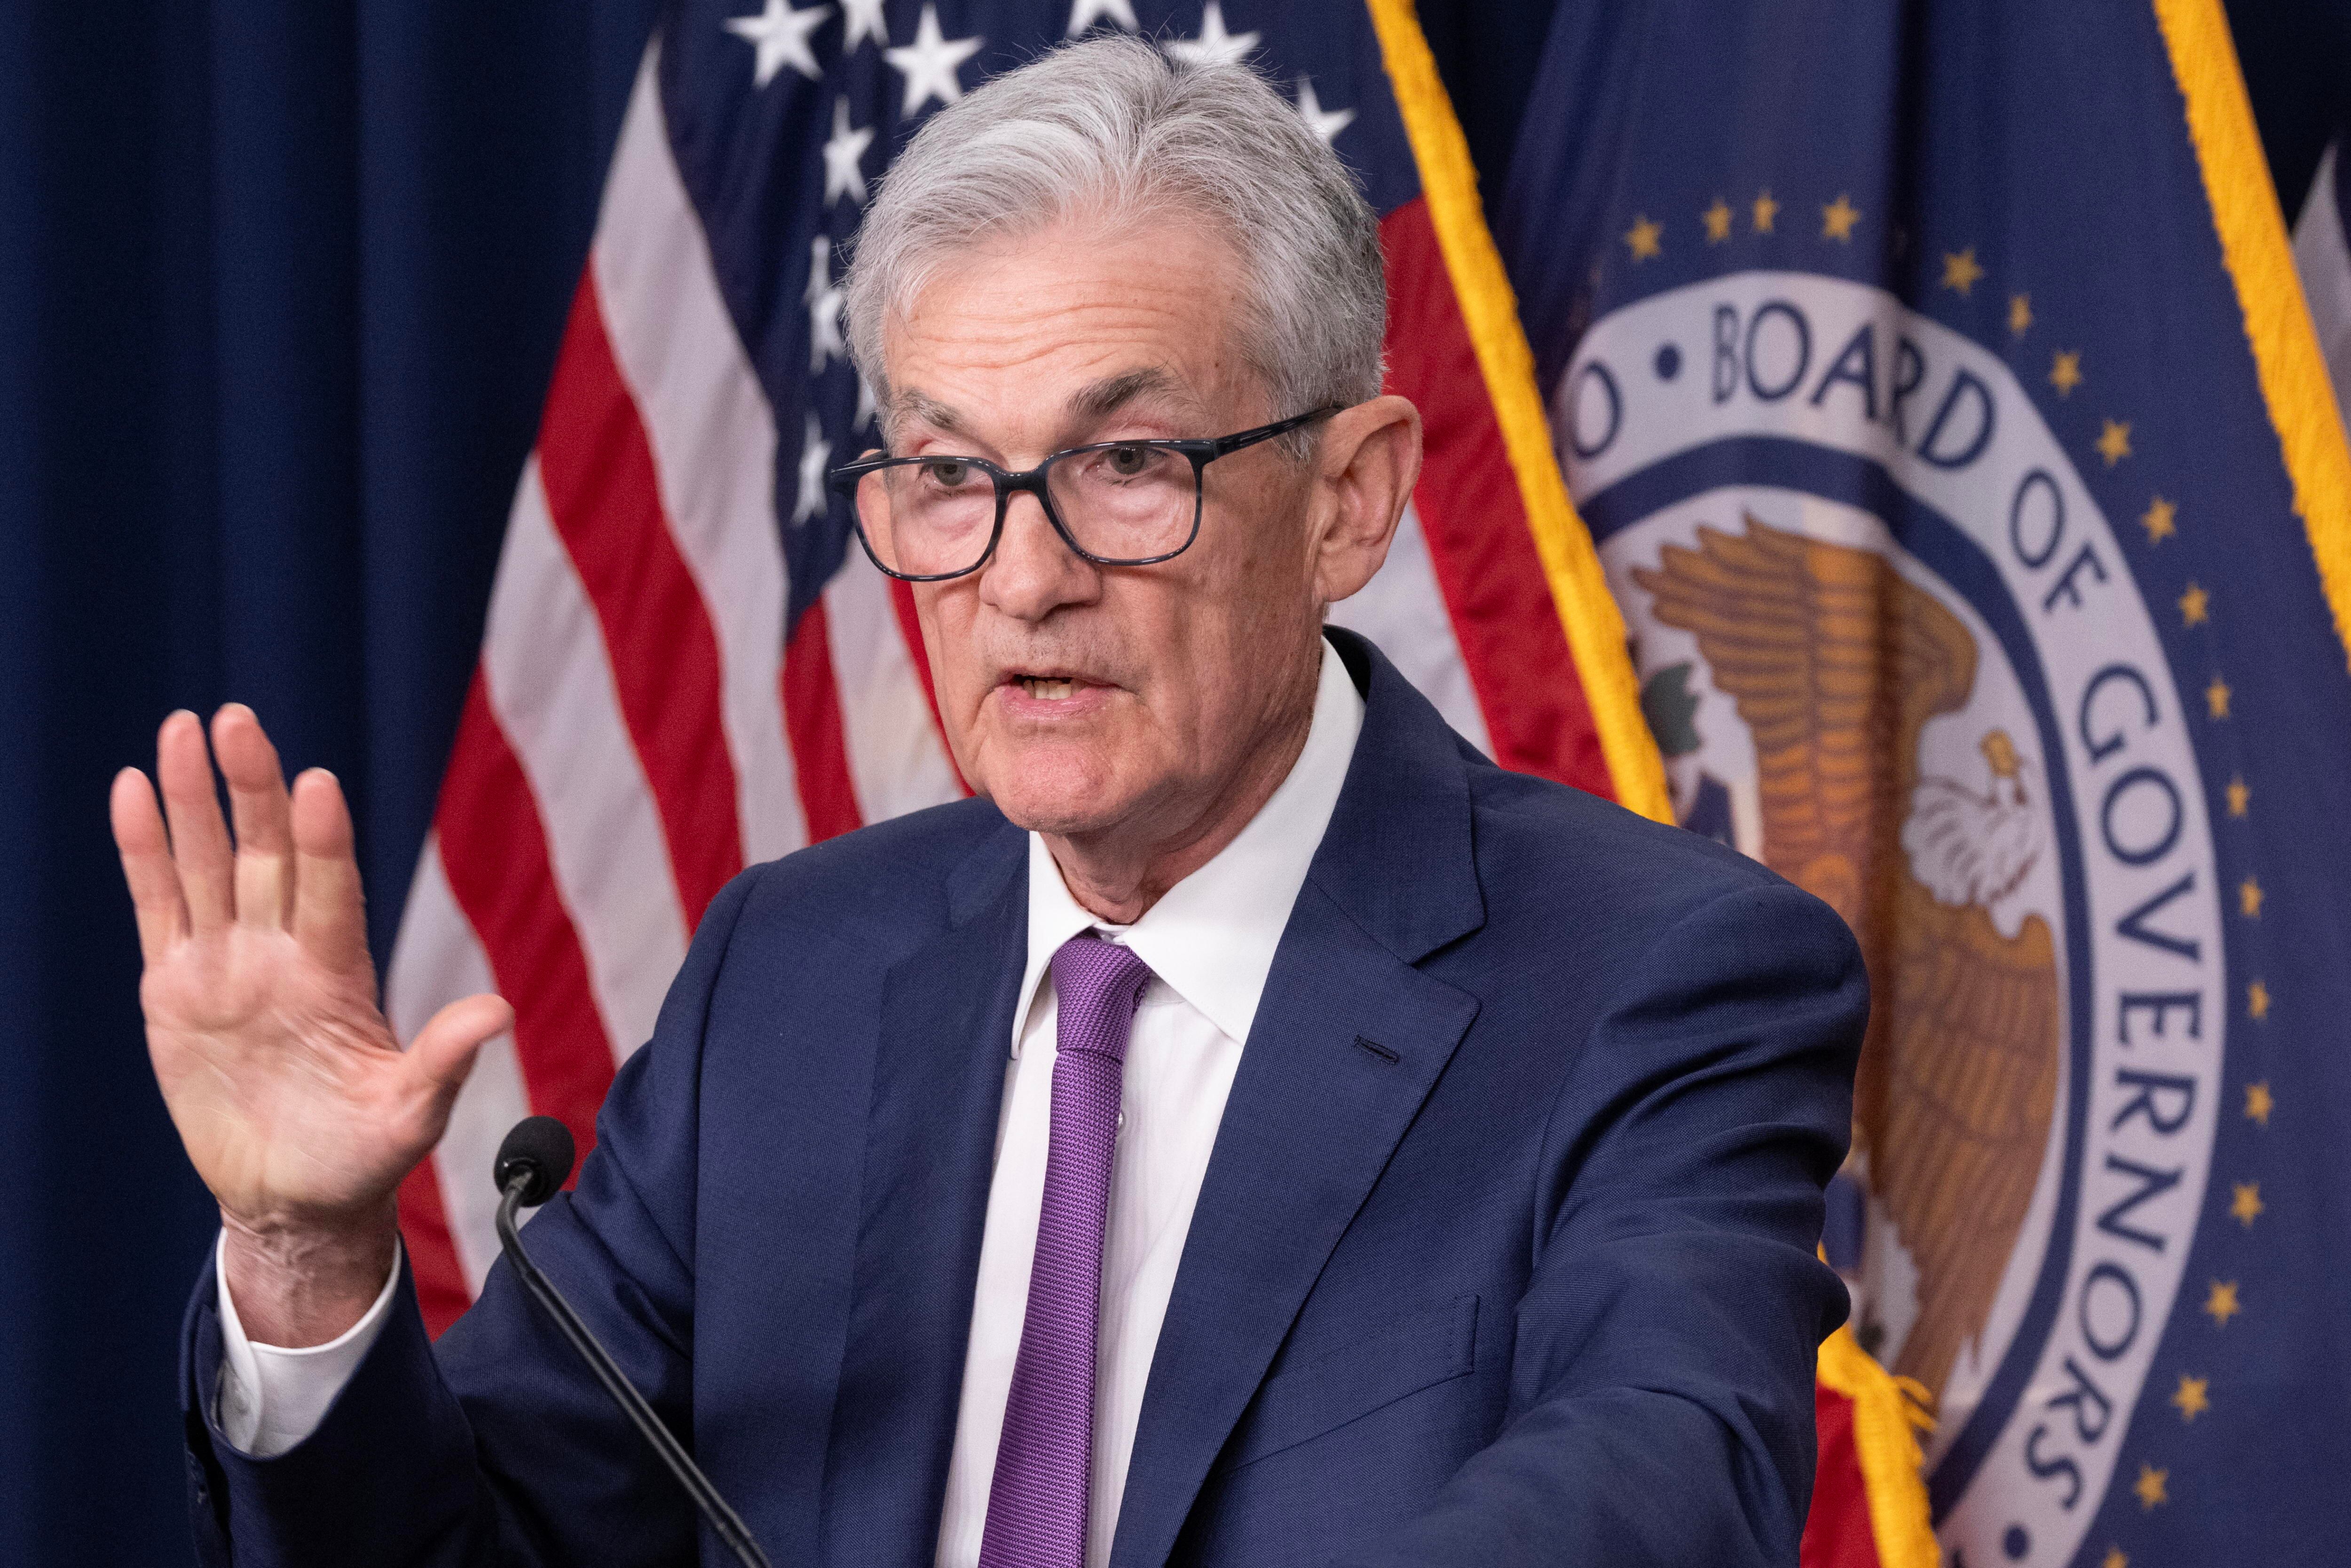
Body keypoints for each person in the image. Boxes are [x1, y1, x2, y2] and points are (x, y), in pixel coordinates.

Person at [115, 37, 1865, 1568]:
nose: (1021, 578)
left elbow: (1663, 1483)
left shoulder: (1660, 980)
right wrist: (306, 1254)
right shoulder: (788, 977)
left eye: (1124, 465)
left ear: (1350, 500)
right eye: (950, 476)